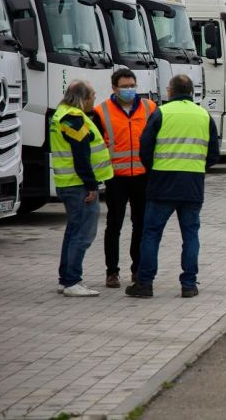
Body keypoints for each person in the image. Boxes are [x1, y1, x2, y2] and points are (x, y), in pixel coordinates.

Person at [126, 75, 218, 298]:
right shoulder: (204, 115)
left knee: (151, 234)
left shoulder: (161, 113)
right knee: (190, 235)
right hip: (193, 185)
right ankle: (189, 285)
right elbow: (213, 154)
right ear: (191, 91)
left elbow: (145, 148)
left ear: (171, 92)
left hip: (162, 184)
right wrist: (196, 166)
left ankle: (145, 283)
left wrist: (154, 170)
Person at [92, 68, 157, 289]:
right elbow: (96, 146)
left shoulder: (150, 108)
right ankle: (112, 272)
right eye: (125, 86)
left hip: (142, 176)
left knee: (140, 225)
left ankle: (137, 270)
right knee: (114, 225)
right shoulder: (101, 111)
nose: (129, 90)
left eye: (132, 86)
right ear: (114, 88)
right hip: (115, 178)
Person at [52, 80, 114, 297]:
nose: (94, 100)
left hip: (68, 183)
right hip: (78, 185)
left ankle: (65, 279)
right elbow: (81, 156)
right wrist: (91, 185)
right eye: (93, 96)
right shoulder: (74, 119)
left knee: (73, 231)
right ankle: (72, 281)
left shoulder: (61, 113)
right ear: (83, 98)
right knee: (83, 234)